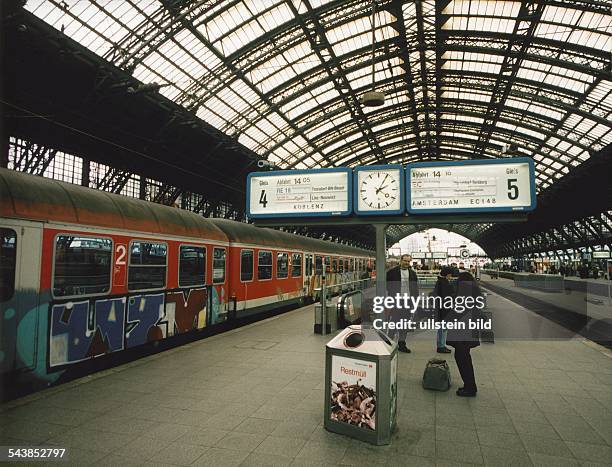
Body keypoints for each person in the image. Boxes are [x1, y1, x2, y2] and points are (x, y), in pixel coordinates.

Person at [447, 272, 482, 397]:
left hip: (463, 331)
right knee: (464, 357)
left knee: (463, 358)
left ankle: (470, 387)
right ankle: (469, 385)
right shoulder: (474, 292)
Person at [386, 254, 420, 353]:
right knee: (394, 322)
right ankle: (389, 343)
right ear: (400, 260)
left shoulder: (413, 274)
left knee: (405, 324)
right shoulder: (392, 272)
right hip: (397, 300)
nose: (406, 263)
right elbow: (387, 286)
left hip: (408, 301)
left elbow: (415, 288)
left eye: (408, 261)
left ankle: (402, 344)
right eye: (405, 261)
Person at [431, 266, 454, 354]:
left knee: (443, 328)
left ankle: (442, 345)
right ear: (447, 274)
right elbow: (445, 296)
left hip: (442, 308)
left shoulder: (441, 281)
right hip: (443, 309)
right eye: (450, 274)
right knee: (443, 328)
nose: (451, 276)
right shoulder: (442, 282)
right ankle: (441, 346)